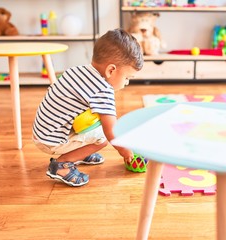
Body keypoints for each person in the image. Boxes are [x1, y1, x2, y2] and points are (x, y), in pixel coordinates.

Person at [32, 28, 144, 187]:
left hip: (43, 131)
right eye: (127, 77)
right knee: (103, 139)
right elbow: (111, 131)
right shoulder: (102, 90)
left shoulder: (77, 70)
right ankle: (62, 164)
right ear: (111, 70)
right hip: (51, 140)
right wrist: (124, 150)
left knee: (94, 122)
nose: (127, 83)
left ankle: (79, 152)